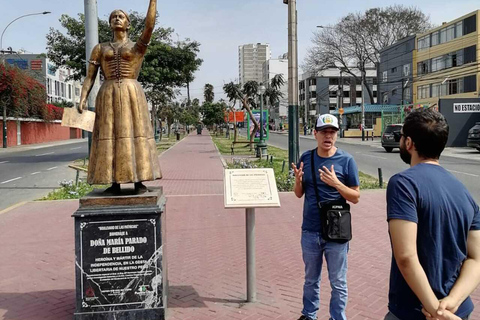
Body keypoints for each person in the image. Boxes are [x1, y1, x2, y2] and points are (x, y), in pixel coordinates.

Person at [385, 108, 480, 320]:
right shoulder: (462, 190)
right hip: (458, 310)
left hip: (415, 311)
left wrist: (435, 311)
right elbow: (476, 258)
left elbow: (406, 256)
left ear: (408, 143)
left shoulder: (403, 184)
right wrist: (451, 303)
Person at [77, 0, 161, 194]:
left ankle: (139, 180)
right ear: (109, 24)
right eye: (113, 17)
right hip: (107, 93)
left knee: (135, 133)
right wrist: (82, 97)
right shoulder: (100, 48)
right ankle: (113, 181)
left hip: (132, 92)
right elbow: (90, 76)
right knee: (109, 134)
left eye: (120, 16)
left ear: (128, 24)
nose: (116, 19)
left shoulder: (137, 47)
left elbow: (149, 26)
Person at [291, 114, 360, 320]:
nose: (328, 136)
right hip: (310, 229)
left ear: (336, 135)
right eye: (323, 132)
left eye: (332, 132)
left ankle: (337, 317)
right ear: (315, 134)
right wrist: (297, 181)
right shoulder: (307, 158)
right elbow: (298, 193)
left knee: (338, 282)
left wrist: (336, 184)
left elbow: (355, 197)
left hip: (337, 229)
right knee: (311, 279)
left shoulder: (346, 160)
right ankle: (309, 315)